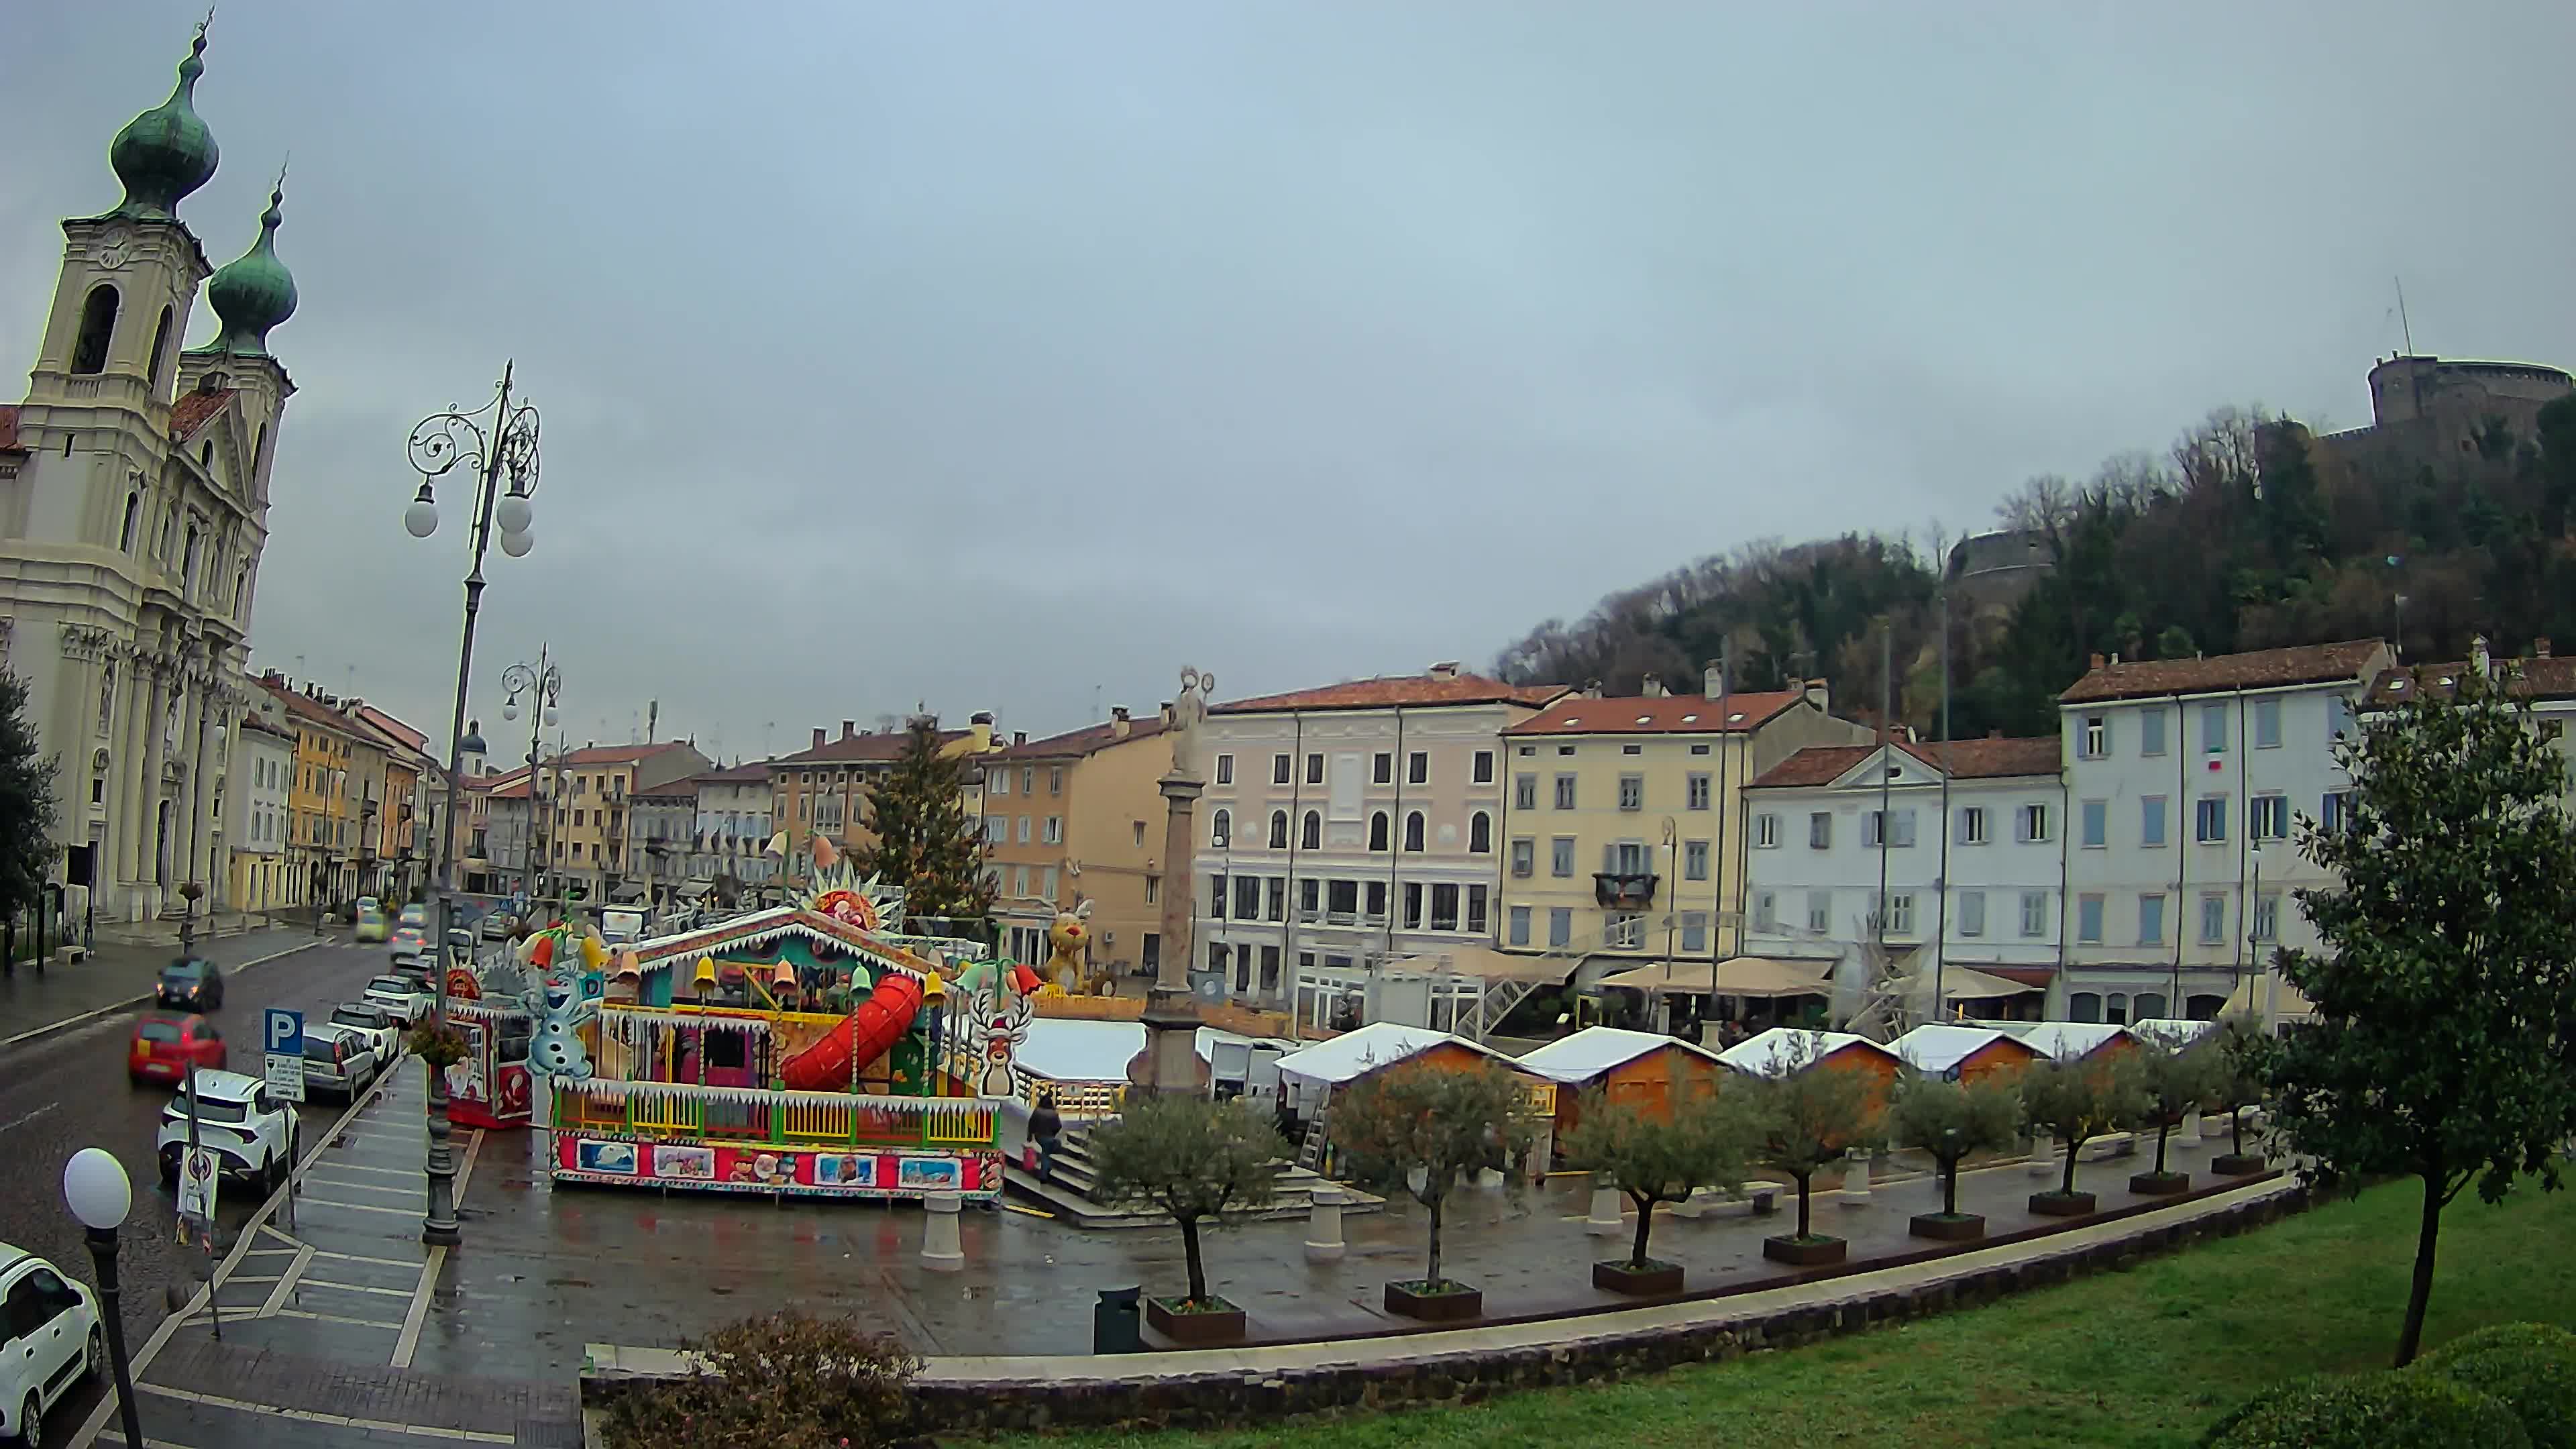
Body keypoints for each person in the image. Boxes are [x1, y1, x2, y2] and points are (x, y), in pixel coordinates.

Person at [1029, 1091, 1063, 1181]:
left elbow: (1031, 1124)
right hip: (1050, 1137)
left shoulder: (1037, 1111)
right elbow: (1059, 1126)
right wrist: (1053, 1134)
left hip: (1039, 1137)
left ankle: (1044, 1173)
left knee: (1045, 1154)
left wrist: (1030, 1136)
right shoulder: (1054, 1113)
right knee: (1047, 1153)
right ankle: (1045, 1172)